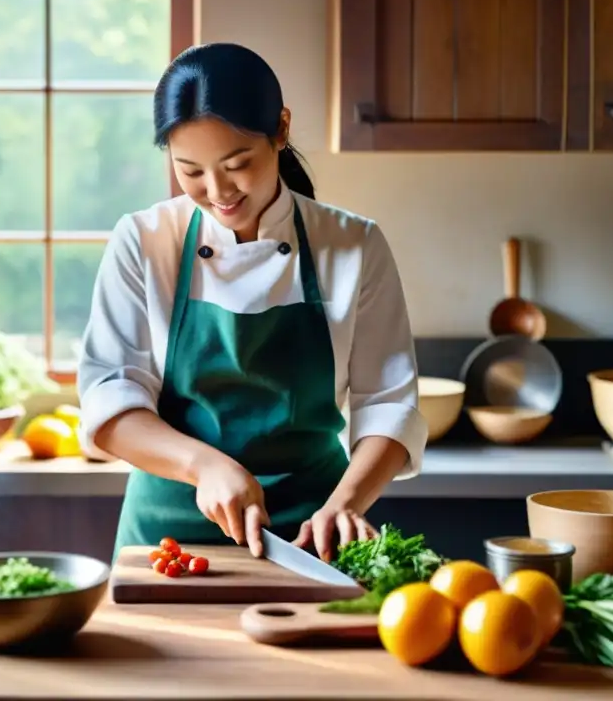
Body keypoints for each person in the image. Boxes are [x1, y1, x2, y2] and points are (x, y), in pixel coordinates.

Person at [77, 42, 428, 563]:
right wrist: (204, 466)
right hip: (167, 538)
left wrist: (345, 504)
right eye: (190, 170)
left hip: (313, 531)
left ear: (281, 129)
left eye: (237, 163)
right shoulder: (144, 240)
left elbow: (388, 406)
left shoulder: (353, 245)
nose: (217, 190)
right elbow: (108, 402)